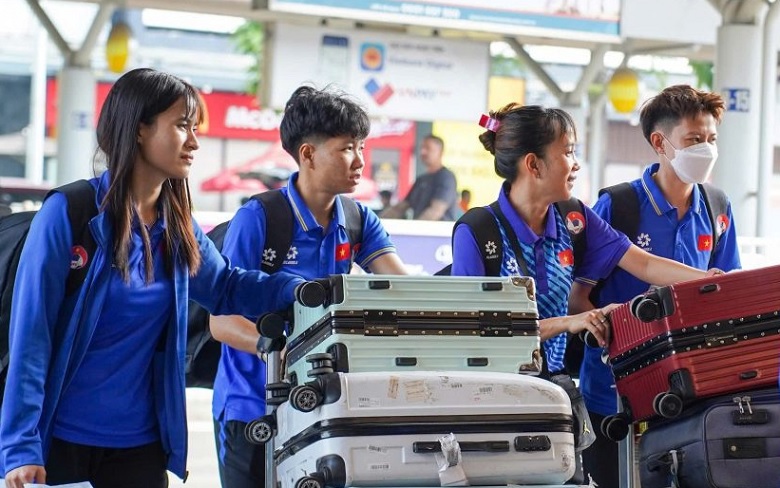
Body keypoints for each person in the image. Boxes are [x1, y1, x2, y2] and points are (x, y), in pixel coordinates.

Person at [0, 68, 313, 488]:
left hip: (140, 448)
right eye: (182, 125)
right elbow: (31, 335)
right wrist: (20, 447)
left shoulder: (176, 225)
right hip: (60, 444)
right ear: (140, 128)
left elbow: (225, 288)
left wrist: (303, 290)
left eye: (194, 127)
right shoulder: (70, 213)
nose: (194, 141)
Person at [209, 85, 407, 488]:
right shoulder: (259, 218)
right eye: (347, 148)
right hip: (251, 409)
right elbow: (222, 323)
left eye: (362, 147)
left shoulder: (357, 219)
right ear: (308, 154)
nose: (360, 161)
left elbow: (400, 289)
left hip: (324, 407)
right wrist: (283, 352)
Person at [451, 103, 723, 375]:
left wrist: (711, 280)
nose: (576, 164)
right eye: (568, 152)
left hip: (554, 388)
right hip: (494, 392)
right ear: (534, 164)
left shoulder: (573, 217)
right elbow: (472, 330)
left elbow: (645, 265)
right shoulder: (477, 231)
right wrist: (568, 322)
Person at [576, 85, 741, 488]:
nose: (706, 149)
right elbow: (579, 296)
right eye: (694, 140)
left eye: (712, 139)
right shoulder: (618, 207)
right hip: (613, 396)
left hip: (693, 392)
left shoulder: (717, 208)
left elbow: (727, 292)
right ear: (660, 142)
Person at [381, 134, 458, 220]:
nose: (423, 152)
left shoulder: (446, 177)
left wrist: (414, 229)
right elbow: (400, 207)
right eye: (422, 148)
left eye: (428, 148)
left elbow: (436, 211)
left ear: (440, 152)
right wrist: (378, 221)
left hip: (437, 232)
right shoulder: (421, 180)